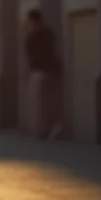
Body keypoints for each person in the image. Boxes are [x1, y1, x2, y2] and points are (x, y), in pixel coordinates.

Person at [24, 9, 63, 139]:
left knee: (42, 103)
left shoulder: (35, 36)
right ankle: (47, 128)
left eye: (30, 21)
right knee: (45, 102)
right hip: (46, 72)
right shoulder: (45, 34)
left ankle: (45, 129)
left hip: (42, 72)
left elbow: (35, 55)